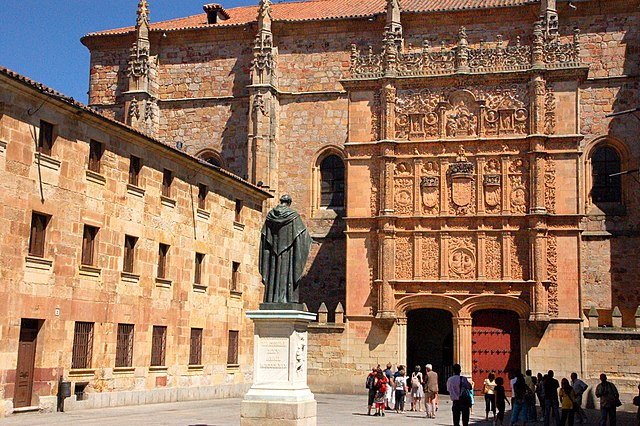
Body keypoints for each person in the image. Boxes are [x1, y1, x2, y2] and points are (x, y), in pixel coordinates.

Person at [259, 194, 311, 304]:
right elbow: (302, 235)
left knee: (274, 271)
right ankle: (287, 298)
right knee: (287, 272)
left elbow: (265, 236)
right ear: (289, 203)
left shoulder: (270, 216)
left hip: (273, 254)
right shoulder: (293, 216)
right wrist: (309, 240)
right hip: (289, 254)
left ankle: (272, 298)